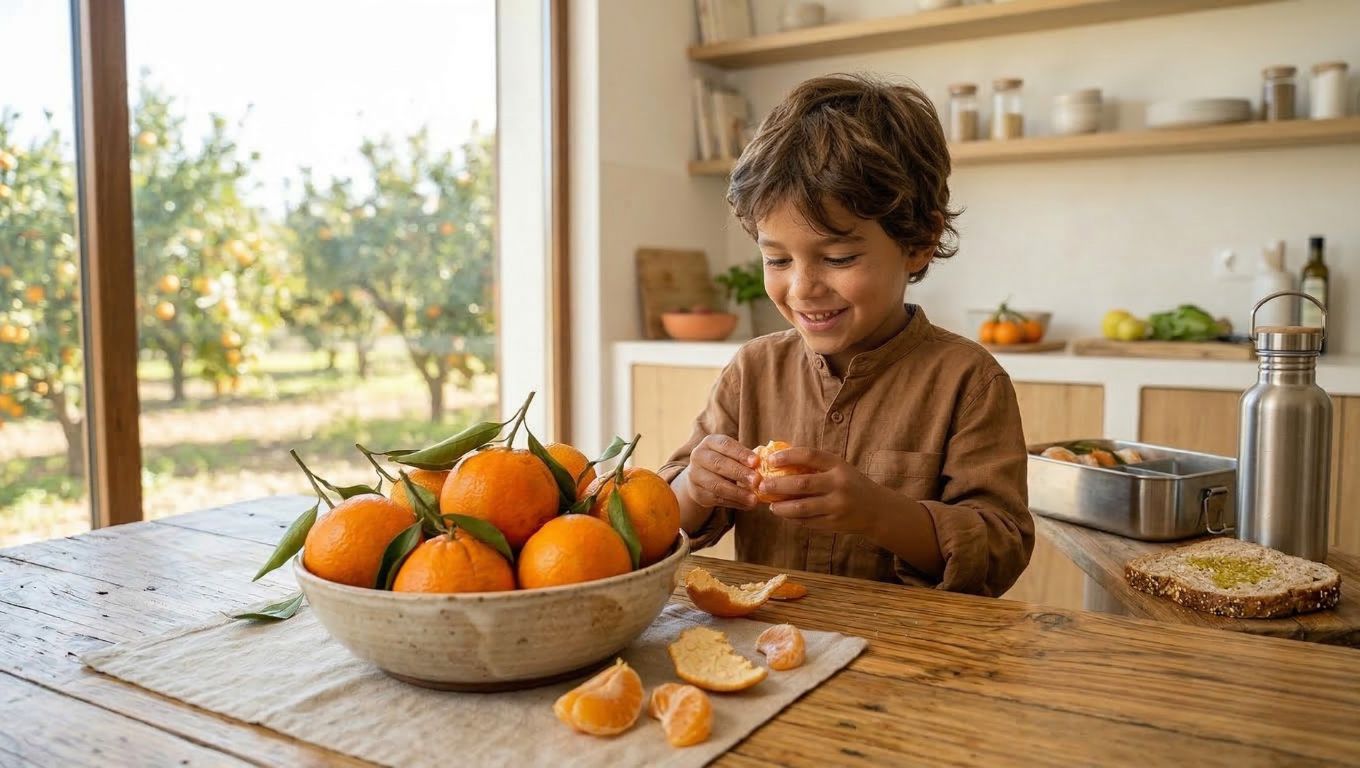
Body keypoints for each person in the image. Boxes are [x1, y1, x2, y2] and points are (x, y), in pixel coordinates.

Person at [660, 73, 1032, 596]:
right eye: (777, 260)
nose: (802, 288)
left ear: (919, 243)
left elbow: (1000, 549)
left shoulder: (969, 382)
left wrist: (879, 513)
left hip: (904, 641)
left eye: (838, 258)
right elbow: (659, 521)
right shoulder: (752, 371)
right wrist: (694, 487)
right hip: (772, 637)